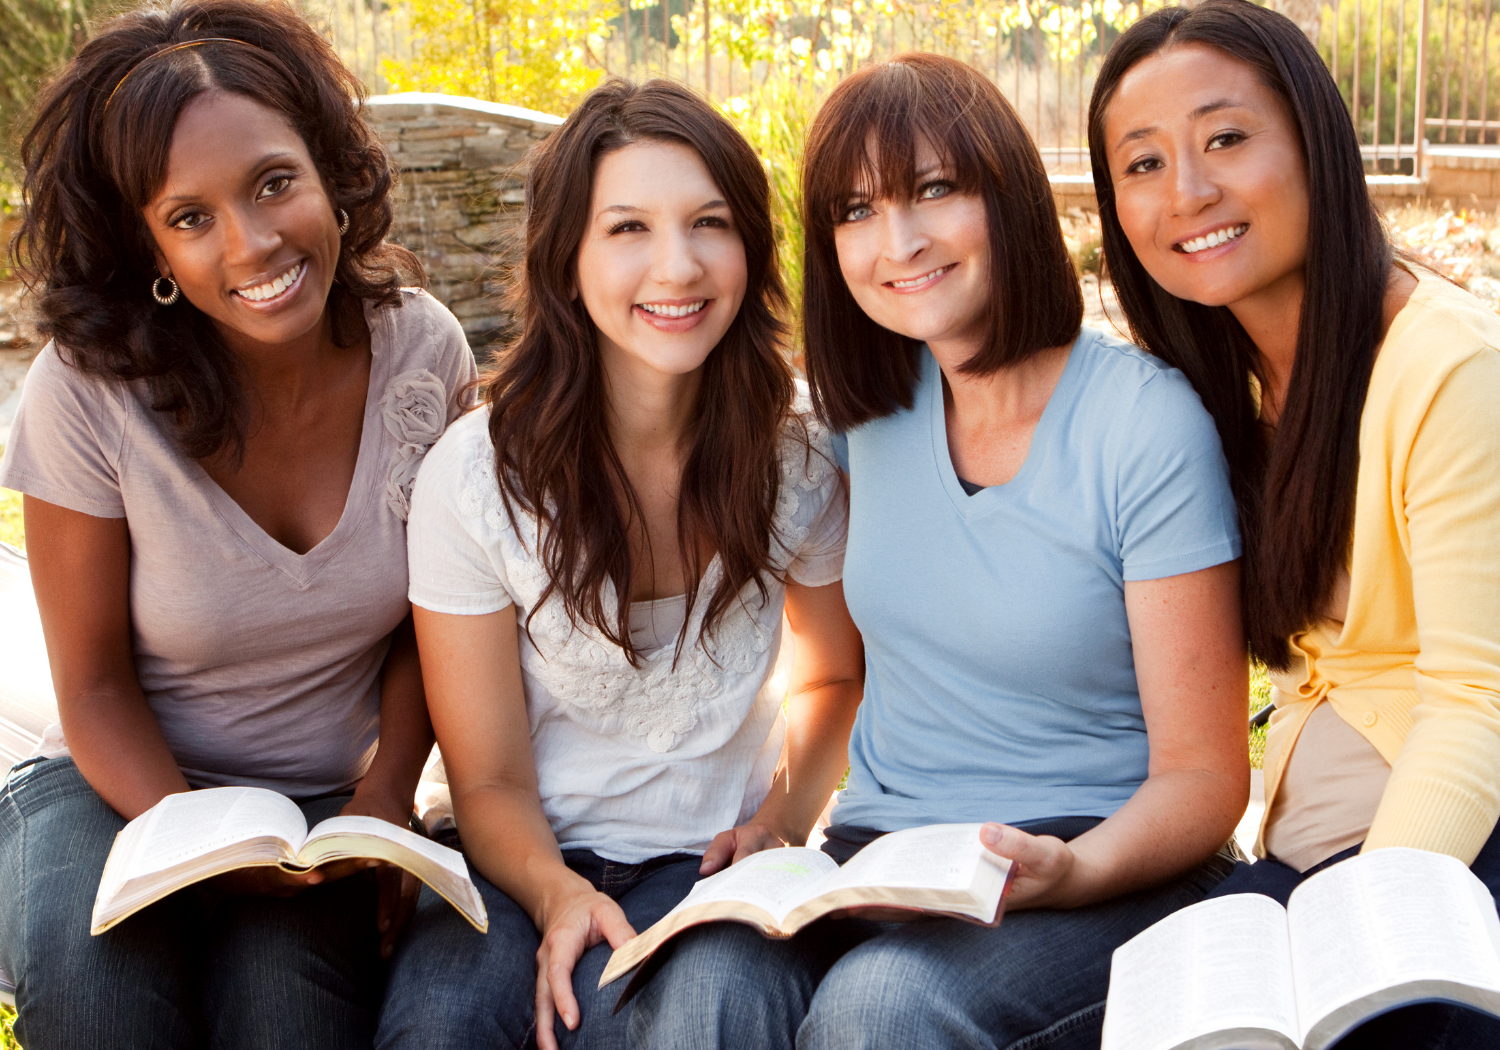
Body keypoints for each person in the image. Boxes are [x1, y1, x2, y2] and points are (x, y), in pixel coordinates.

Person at [629, 52, 1248, 1050]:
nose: (899, 240)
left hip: (1099, 869)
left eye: (934, 190)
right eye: (856, 209)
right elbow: (831, 667)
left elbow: (1208, 778)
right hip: (883, 862)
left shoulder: (1144, 424)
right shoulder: (858, 421)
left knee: (878, 1010)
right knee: (710, 980)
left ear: (1007, 197)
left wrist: (1071, 872)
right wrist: (784, 824)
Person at [0, 1, 476, 1046]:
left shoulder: (422, 355)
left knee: (287, 1016)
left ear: (331, 177)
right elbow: (92, 684)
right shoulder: (87, 395)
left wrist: (384, 801)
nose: (253, 242)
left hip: (322, 811)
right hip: (110, 785)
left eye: (273, 184)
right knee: (101, 1005)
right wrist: (200, 851)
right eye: (191, 215)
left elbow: (434, 624)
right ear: (148, 244)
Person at [374, 78, 863, 1050]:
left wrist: (779, 821)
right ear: (567, 257)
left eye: (709, 223)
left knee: (714, 1013)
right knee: (441, 1029)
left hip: (716, 859)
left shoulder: (799, 454)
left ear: (751, 247)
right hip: (514, 860)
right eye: (628, 228)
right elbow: (490, 783)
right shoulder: (476, 478)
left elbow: (836, 675)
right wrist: (557, 895)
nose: (675, 266)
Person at [1089, 1, 1500, 1045]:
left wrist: (1375, 925)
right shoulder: (1220, 386)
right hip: (1312, 852)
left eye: (1227, 138)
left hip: (1450, 844)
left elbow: (1476, 702)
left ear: (1315, 143)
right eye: (1142, 164)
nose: (1188, 192)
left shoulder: (1449, 367)